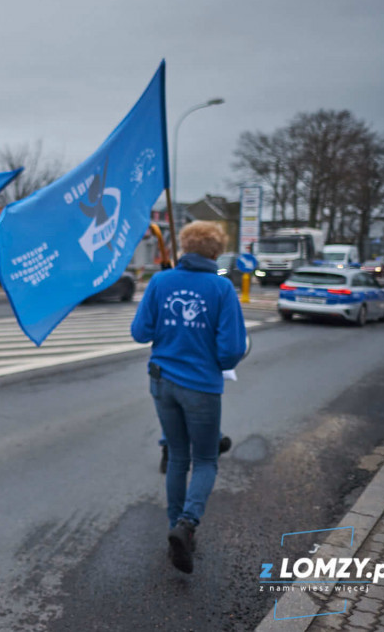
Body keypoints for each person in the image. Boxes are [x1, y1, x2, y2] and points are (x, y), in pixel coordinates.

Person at [130, 221, 247, 574]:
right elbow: (230, 352)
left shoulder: (161, 282)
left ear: (184, 247)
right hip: (201, 387)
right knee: (207, 459)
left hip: (162, 382)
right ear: (216, 251)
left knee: (178, 457)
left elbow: (140, 332)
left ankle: (175, 526)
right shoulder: (221, 289)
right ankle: (187, 524)